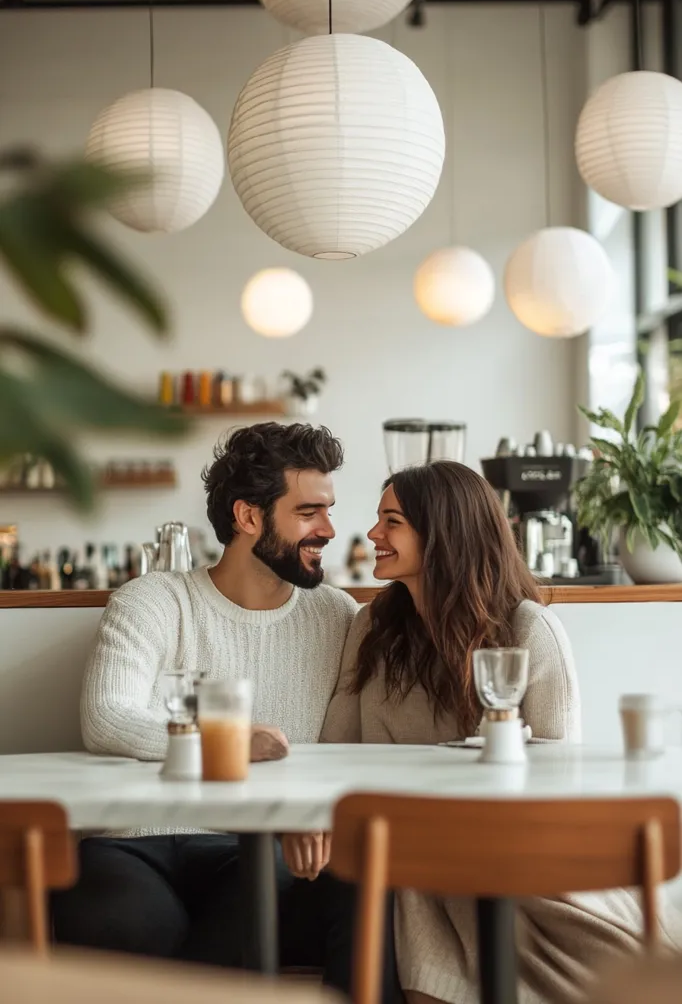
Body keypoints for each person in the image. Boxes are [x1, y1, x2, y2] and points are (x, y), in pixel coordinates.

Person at [282, 461, 682, 1004]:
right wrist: (311, 819)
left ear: (443, 533)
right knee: (387, 883)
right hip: (405, 849)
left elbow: (558, 780)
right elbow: (335, 751)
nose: (373, 534)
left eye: (391, 521)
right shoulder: (372, 627)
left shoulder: (528, 630)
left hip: (514, 857)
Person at [52, 422, 372, 987]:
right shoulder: (153, 599)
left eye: (328, 510)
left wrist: (310, 811)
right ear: (248, 518)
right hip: (132, 841)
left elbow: (338, 749)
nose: (328, 529)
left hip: (257, 842)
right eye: (308, 512)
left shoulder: (337, 615)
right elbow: (108, 717)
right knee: (114, 919)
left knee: (278, 893)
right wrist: (229, 740)